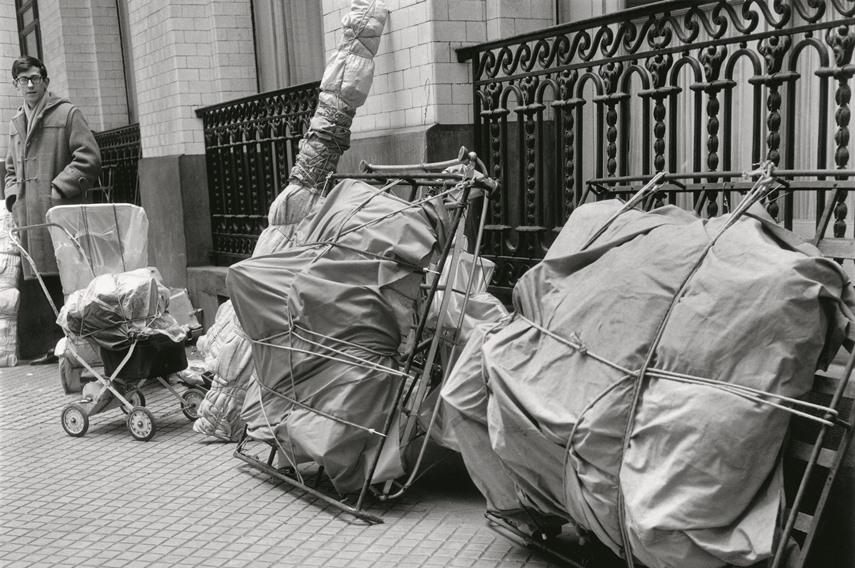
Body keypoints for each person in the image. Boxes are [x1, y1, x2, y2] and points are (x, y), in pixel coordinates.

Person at [3, 55, 101, 364]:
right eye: (22, 80)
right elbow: (9, 169)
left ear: (46, 81)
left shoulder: (68, 113)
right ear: (16, 85)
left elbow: (89, 157)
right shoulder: (16, 122)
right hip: (28, 216)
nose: (29, 84)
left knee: (65, 279)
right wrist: (12, 197)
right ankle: (49, 346)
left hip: (58, 214)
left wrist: (58, 189)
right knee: (39, 281)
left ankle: (70, 345)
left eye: (34, 78)